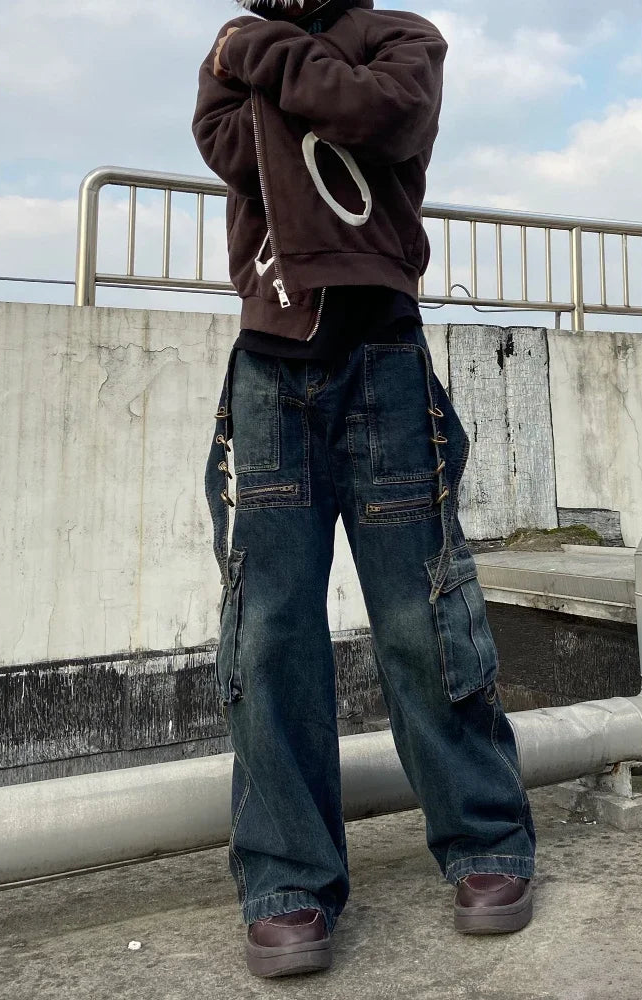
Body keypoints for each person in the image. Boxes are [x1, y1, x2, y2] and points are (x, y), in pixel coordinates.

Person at [192, 0, 536, 979]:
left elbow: (387, 115)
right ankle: (286, 883)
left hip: (384, 355)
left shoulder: (401, 38)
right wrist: (311, 88)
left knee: (425, 616)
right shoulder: (233, 58)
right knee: (269, 631)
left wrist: (260, 52)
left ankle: (487, 840)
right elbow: (230, 148)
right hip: (269, 365)